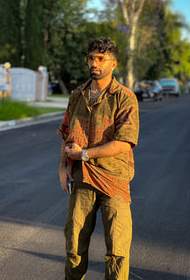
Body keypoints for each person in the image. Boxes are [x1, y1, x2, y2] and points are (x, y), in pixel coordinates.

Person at [57, 37, 139, 280]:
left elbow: (124, 142)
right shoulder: (77, 95)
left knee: (117, 249)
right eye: (91, 58)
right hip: (82, 179)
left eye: (100, 58)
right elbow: (65, 133)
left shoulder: (124, 97)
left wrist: (84, 154)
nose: (94, 63)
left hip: (114, 180)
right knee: (74, 244)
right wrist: (62, 167)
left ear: (113, 63)